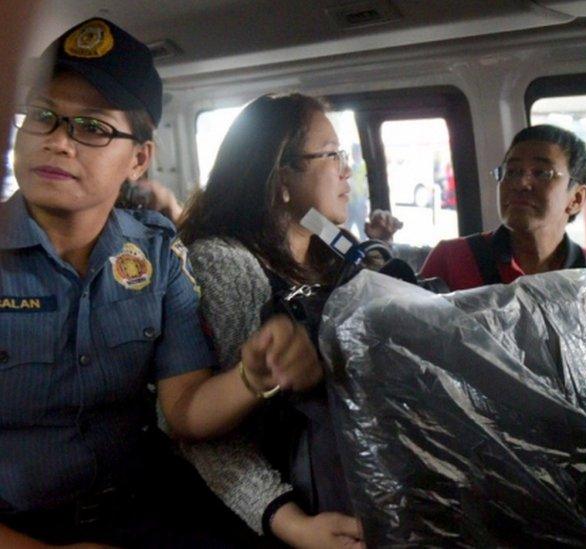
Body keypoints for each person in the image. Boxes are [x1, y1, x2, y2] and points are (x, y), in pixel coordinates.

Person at [0, 19, 323, 547]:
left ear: (139, 159)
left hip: (144, 514)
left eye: (92, 127)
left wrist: (255, 373)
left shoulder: (157, 254)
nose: (58, 142)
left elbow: (186, 410)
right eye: (43, 117)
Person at [179, 93, 365, 548]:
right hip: (274, 512)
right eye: (332, 155)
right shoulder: (226, 265)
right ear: (281, 176)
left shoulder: (328, 238)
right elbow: (210, 438)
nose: (347, 169)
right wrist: (289, 521)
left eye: (346, 155)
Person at [420, 124, 586, 290]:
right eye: (512, 172)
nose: (520, 183)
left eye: (542, 173)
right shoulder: (451, 259)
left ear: (576, 199)